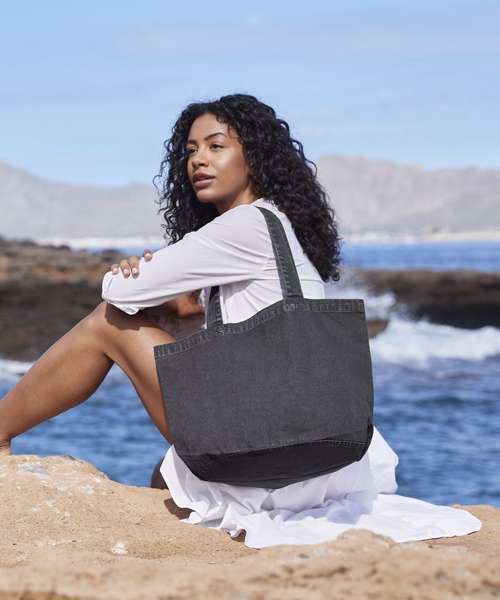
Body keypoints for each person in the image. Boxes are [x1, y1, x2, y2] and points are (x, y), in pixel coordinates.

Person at [0, 93, 481, 549]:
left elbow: (118, 293)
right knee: (165, 477)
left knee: (108, 322)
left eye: (216, 146)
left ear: (254, 157)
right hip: (320, 448)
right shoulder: (280, 226)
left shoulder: (244, 224)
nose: (198, 161)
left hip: (268, 440)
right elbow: (227, 334)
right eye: (191, 151)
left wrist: (131, 274)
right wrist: (178, 304)